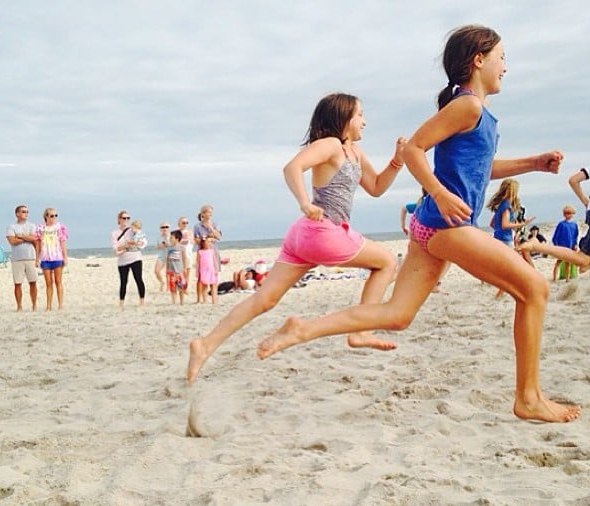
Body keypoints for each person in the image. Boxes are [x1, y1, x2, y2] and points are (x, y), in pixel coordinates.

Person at [256, 25, 580, 423]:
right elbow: (413, 149)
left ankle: (302, 328)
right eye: (502, 58)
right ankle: (528, 398)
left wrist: (532, 164)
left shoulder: (476, 113)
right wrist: (440, 194)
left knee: (397, 314)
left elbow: (479, 169)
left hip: (431, 228)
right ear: (479, 60)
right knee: (533, 288)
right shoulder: (467, 106)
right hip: (445, 227)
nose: (505, 68)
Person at [187, 91, 406, 382]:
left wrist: (396, 162)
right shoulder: (330, 145)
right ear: (343, 118)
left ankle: (205, 345)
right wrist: (304, 202)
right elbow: (292, 167)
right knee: (387, 262)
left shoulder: (354, 152)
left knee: (264, 299)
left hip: (304, 236)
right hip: (324, 232)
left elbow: (377, 187)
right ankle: (360, 330)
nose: (365, 121)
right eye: (360, 115)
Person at [6, 204, 38, 311]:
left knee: (33, 282)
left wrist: (20, 236)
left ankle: (34, 305)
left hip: (30, 257)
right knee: (17, 283)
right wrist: (26, 238)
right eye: (23, 212)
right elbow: (12, 241)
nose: (26, 214)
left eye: (27, 212)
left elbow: (34, 239)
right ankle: (19, 306)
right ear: (17, 214)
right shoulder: (11, 227)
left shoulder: (32, 226)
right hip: (17, 259)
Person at [35, 207, 68, 311]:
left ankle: (60, 305)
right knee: (48, 283)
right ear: (46, 216)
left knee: (58, 282)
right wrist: (36, 258)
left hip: (57, 257)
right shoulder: (40, 228)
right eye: (52, 215)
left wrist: (65, 257)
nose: (54, 217)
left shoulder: (59, 228)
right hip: (45, 258)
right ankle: (48, 306)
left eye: (55, 215)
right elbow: (38, 244)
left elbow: (62, 243)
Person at [111, 210, 146, 308]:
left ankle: (142, 301)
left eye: (128, 218)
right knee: (123, 282)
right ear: (119, 219)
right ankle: (121, 303)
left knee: (138, 279)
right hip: (123, 260)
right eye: (124, 218)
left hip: (135, 257)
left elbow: (142, 242)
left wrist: (128, 245)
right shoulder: (115, 233)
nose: (126, 220)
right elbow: (116, 247)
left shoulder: (132, 230)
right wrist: (125, 247)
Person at [193, 205, 222, 302]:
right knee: (203, 276)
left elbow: (218, 236)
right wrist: (206, 238)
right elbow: (196, 240)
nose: (210, 214)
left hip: (213, 251)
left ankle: (215, 299)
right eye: (208, 212)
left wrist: (211, 228)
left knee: (214, 274)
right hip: (203, 252)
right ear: (203, 214)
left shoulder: (214, 224)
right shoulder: (197, 226)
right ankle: (203, 299)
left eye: (211, 212)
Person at [550, 205, 579, 282]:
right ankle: (554, 278)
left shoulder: (574, 224)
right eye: (566, 213)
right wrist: (556, 246)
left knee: (568, 263)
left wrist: (575, 245)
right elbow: (555, 236)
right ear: (564, 214)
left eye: (570, 213)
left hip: (570, 247)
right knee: (558, 262)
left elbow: (575, 236)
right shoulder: (561, 224)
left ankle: (567, 279)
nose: (568, 215)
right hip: (562, 247)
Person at [165, 229, 188, 304]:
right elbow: (168, 259)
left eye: (172, 237)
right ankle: (174, 302)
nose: (170, 239)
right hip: (171, 271)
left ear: (177, 239)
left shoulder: (181, 247)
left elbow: (184, 258)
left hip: (179, 271)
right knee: (173, 288)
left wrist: (185, 268)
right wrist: (167, 269)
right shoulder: (169, 248)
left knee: (181, 287)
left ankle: (182, 302)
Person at [196, 237, 218, 304]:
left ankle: (214, 301)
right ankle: (205, 300)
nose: (209, 243)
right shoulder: (200, 251)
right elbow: (198, 262)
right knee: (204, 285)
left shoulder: (211, 251)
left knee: (213, 285)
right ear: (203, 243)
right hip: (203, 271)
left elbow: (214, 261)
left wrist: (216, 269)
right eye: (207, 242)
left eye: (210, 242)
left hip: (211, 270)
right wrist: (197, 271)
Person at [154, 222, 171, 291]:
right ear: (160, 229)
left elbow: (175, 245)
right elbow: (156, 246)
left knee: (168, 273)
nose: (165, 228)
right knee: (156, 271)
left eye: (166, 227)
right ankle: (162, 282)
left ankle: (168, 287)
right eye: (163, 227)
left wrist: (168, 244)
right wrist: (160, 246)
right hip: (161, 256)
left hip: (169, 256)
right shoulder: (159, 237)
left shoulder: (171, 236)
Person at [177, 216, 193, 283]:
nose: (185, 224)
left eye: (187, 222)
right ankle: (182, 286)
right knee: (182, 271)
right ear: (179, 224)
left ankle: (186, 286)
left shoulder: (190, 232)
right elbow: (173, 242)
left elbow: (192, 241)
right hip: (179, 254)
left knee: (188, 271)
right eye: (183, 223)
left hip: (188, 253)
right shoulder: (176, 232)